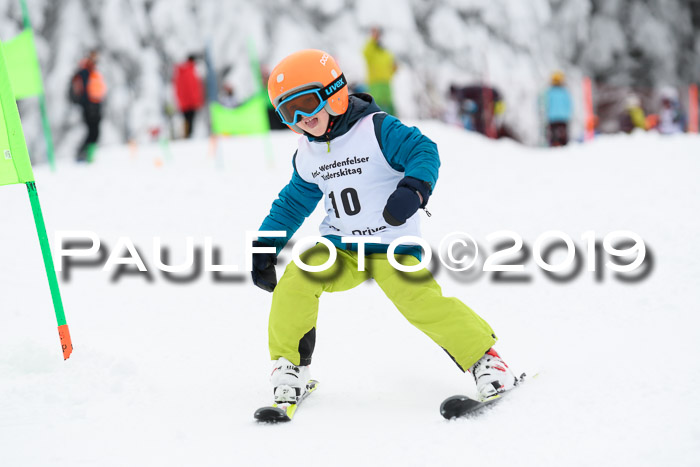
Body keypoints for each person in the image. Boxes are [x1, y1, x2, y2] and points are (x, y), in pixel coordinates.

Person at [251, 49, 518, 408]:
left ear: (333, 92)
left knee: (420, 300)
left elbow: (423, 151)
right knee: (298, 277)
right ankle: (290, 368)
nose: (302, 118)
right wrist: (266, 245)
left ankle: (487, 361)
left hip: (391, 245)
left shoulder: (375, 129)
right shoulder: (308, 153)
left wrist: (414, 189)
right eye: (288, 112)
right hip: (341, 248)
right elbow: (293, 202)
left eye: (306, 103)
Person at [69, 50, 107, 162]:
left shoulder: (93, 72)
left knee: (95, 131)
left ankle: (88, 155)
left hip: (96, 105)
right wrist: (87, 104)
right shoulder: (85, 72)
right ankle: (83, 154)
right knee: (92, 131)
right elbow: (84, 91)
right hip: (89, 106)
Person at [363, 27, 397, 115]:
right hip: (375, 82)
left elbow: (392, 67)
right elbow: (365, 52)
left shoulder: (387, 53)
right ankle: (374, 120)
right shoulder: (371, 51)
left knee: (389, 104)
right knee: (376, 103)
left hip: (386, 82)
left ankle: (393, 121)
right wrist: (373, 39)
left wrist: (394, 69)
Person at [173, 54, 204, 138]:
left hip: (183, 102)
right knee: (190, 120)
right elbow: (194, 88)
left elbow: (177, 88)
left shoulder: (181, 72)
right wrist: (197, 100)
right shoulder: (191, 71)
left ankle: (186, 134)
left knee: (186, 120)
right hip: (191, 102)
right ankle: (187, 135)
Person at [544, 71, 572, 146]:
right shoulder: (564, 92)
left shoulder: (549, 92)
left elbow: (545, 105)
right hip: (563, 117)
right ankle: (563, 145)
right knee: (563, 133)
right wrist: (568, 114)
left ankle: (554, 144)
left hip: (552, 117)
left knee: (553, 133)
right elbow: (568, 105)